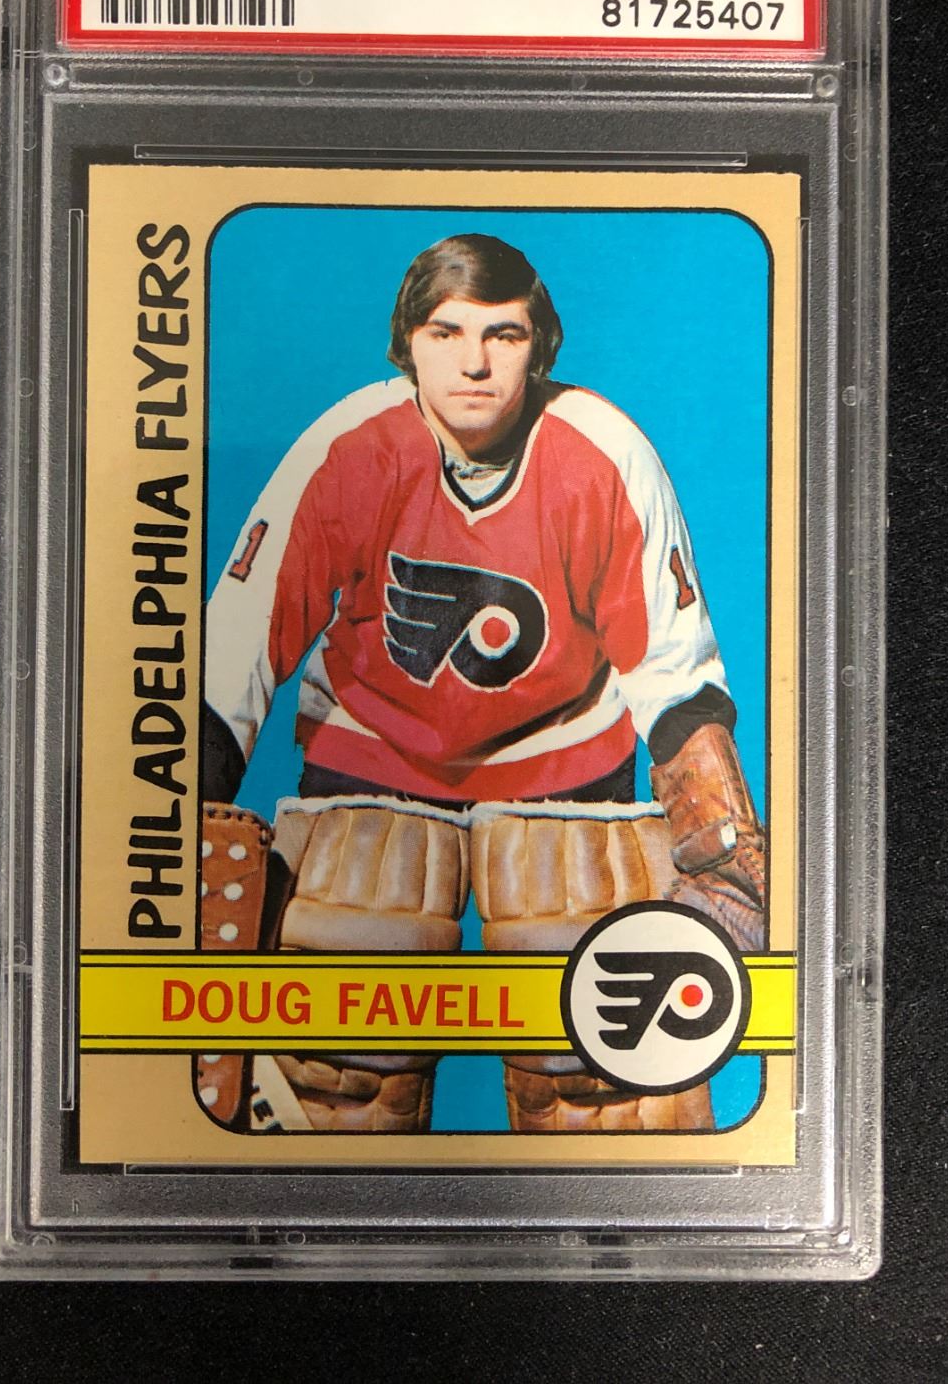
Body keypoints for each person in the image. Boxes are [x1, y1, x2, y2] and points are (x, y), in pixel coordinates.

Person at [200, 233, 765, 1134]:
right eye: (446, 332)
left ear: (540, 346)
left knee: (603, 1074)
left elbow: (675, 673)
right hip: (371, 765)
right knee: (336, 1074)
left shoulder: (606, 450)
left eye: (503, 335)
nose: (473, 363)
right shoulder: (348, 446)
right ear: (406, 344)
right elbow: (237, 646)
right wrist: (156, 834)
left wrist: (727, 861)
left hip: (563, 778)